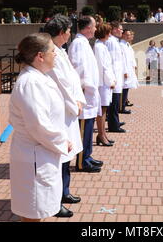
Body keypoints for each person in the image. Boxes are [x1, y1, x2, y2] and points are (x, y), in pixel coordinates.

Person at [9, 33, 72, 222]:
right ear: (40, 56)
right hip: (35, 155)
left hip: (42, 153)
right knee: (33, 212)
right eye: (53, 51)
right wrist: (62, 141)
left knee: (39, 208)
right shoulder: (30, 83)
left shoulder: (39, 77)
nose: (56, 55)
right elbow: (38, 125)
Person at [42, 15, 85, 217]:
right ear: (61, 32)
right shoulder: (51, 52)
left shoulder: (59, 50)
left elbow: (72, 79)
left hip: (68, 109)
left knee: (67, 155)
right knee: (59, 156)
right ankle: (55, 200)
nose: (70, 34)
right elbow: (61, 83)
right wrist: (75, 104)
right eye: (68, 30)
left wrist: (78, 100)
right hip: (61, 110)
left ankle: (64, 192)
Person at [68, 16, 104, 172]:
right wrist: (83, 88)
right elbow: (78, 69)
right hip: (84, 93)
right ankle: (82, 162)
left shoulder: (83, 43)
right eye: (94, 26)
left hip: (89, 93)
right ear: (88, 27)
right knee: (84, 129)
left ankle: (87, 155)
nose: (96, 29)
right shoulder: (78, 44)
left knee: (88, 128)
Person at [93, 24, 116, 146]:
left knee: (104, 109)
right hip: (102, 83)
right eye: (108, 32)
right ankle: (101, 135)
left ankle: (102, 134)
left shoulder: (102, 45)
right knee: (101, 110)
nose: (110, 35)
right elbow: (103, 66)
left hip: (105, 82)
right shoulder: (99, 46)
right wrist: (110, 81)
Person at [105, 21, 127, 132]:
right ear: (114, 29)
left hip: (117, 76)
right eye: (120, 29)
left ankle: (115, 121)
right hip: (114, 77)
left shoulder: (114, 41)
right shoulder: (111, 42)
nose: (122, 31)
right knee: (113, 104)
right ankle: (113, 125)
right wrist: (113, 79)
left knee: (115, 103)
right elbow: (112, 61)